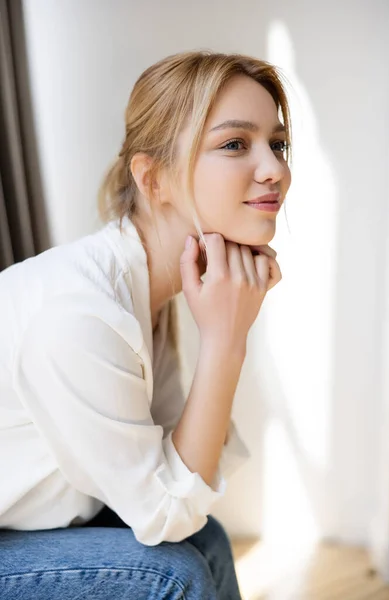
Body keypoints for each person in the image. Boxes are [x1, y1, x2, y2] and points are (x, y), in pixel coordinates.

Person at [0, 50, 292, 599]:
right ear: (153, 178)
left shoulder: (149, 290)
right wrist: (226, 342)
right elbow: (164, 513)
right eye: (235, 144)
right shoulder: (82, 313)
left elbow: (178, 471)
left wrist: (224, 329)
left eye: (277, 143)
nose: (275, 168)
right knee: (170, 574)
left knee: (208, 542)